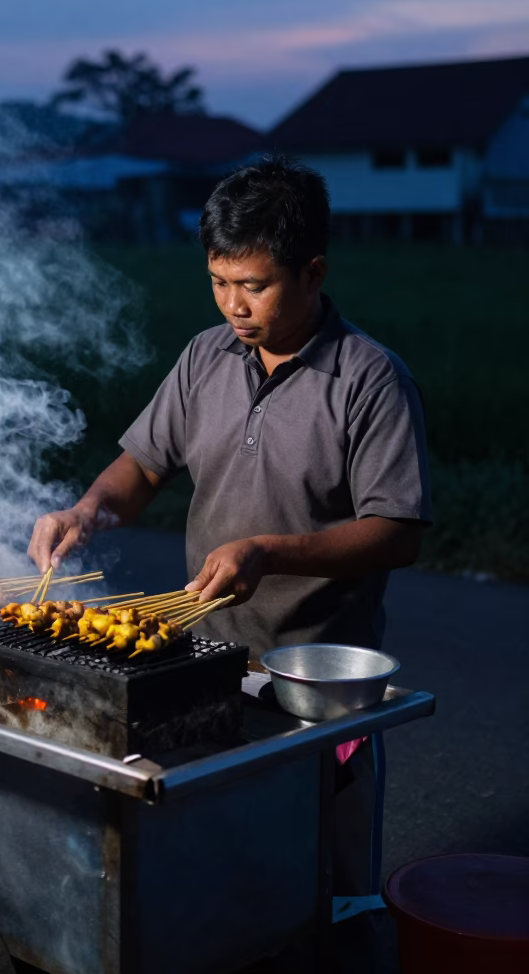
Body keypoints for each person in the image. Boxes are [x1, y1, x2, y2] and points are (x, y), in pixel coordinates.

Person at [28, 155, 431, 970]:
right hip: (200, 662)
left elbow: (399, 528)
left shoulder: (368, 380)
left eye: (254, 285)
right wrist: (86, 509)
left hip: (314, 682)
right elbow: (140, 468)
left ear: (312, 271)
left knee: (330, 890)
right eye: (218, 282)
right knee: (215, 874)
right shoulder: (206, 358)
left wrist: (271, 551)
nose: (233, 306)